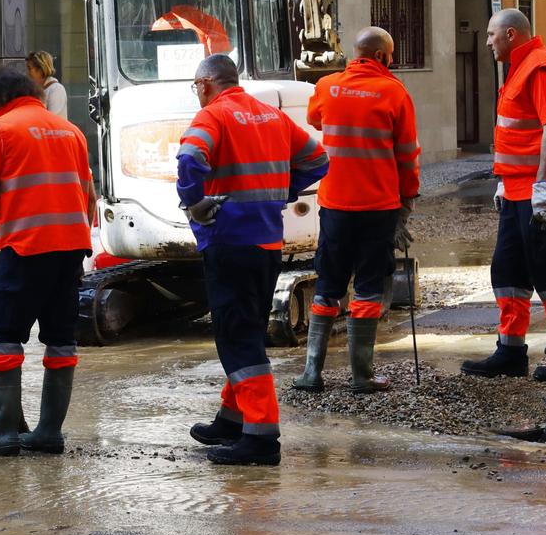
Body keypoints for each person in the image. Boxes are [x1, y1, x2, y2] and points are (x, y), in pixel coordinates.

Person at [178, 53, 328, 466]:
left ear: (207, 84)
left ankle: (261, 438)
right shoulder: (271, 117)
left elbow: (190, 160)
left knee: (236, 336)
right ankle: (233, 418)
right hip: (265, 243)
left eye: (197, 88)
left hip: (228, 242)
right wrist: (281, 190)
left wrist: (195, 204)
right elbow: (319, 161)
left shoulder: (214, 116)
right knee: (246, 328)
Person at [462, 10, 546, 383]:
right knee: (508, 269)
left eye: (492, 35)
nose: (487, 41)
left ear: (510, 34)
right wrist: (506, 181)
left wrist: (541, 185)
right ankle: (510, 351)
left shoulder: (539, 67)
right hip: (520, 189)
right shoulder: (521, 67)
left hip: (545, 192)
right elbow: (519, 135)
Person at [0, 66, 96, 456]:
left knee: (4, 337)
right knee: (60, 341)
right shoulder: (69, 131)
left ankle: (4, 433)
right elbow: (88, 194)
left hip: (23, 249)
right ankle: (48, 432)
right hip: (71, 250)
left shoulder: (1, 130)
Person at [294, 27, 421, 395]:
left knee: (328, 284)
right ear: (381, 57)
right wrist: (407, 203)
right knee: (367, 287)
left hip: (334, 205)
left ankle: (311, 375)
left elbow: (316, 120)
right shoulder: (395, 92)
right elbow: (407, 154)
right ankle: (361, 376)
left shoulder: (327, 87)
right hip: (378, 206)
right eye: (391, 56)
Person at [153, 0, 232, 55]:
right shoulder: (209, 23)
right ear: (196, 3)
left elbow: (151, 53)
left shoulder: (158, 24)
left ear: (174, 3)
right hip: (201, 68)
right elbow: (221, 57)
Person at [26, 49, 69, 117]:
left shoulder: (56, 89)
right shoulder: (35, 90)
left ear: (40, 69)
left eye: (29, 68)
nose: (27, 72)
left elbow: (51, 119)